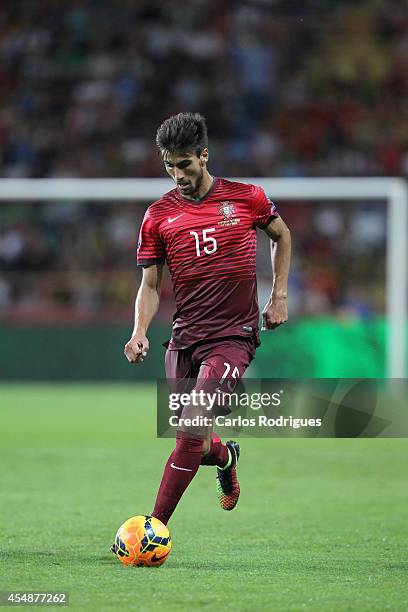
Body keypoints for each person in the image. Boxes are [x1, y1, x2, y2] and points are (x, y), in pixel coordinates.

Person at [124, 112, 291, 525]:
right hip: (184, 338)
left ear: (204, 155)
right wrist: (139, 330)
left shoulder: (246, 197)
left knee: (190, 428)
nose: (177, 174)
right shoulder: (158, 216)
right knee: (194, 443)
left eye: (184, 163)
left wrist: (279, 295)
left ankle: (154, 528)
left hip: (233, 337)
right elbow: (149, 285)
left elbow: (282, 235)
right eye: (168, 164)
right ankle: (227, 455)